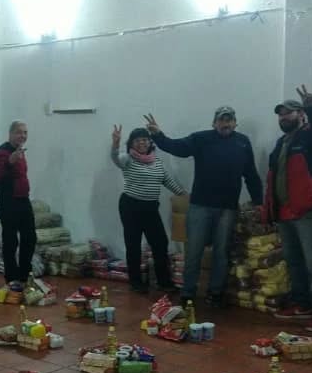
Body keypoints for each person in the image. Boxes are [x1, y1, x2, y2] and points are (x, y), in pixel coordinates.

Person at [151, 108, 264, 308]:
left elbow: (251, 175)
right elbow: (178, 148)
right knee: (194, 252)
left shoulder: (243, 142)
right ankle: (188, 293)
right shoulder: (201, 138)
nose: (225, 124)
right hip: (200, 207)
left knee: (221, 253)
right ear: (214, 123)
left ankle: (215, 293)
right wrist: (158, 135)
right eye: (222, 120)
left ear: (235, 123)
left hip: (228, 209)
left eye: (229, 120)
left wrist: (259, 202)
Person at [262, 85, 312, 331]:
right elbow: (273, 179)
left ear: (301, 114)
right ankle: (302, 304)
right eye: (280, 115)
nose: (283, 118)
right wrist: (269, 210)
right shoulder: (281, 143)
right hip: (284, 213)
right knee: (294, 262)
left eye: (288, 113)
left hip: (308, 211)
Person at [111, 122, 186, 293]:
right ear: (131, 144)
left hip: (151, 208)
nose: (142, 143)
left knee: (160, 243)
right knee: (133, 244)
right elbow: (115, 159)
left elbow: (167, 180)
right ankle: (136, 283)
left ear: (150, 142)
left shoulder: (156, 161)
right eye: (137, 140)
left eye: (145, 139)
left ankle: (163, 282)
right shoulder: (127, 159)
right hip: (131, 206)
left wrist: (184, 195)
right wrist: (115, 144)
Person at [0, 121, 36, 285]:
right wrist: (9, 162)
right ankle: (11, 277)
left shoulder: (20, 152)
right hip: (8, 202)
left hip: (23, 200)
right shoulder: (2, 152)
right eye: (19, 132)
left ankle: (25, 274)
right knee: (11, 240)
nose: (23, 136)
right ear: (10, 134)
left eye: (25, 133)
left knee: (30, 237)